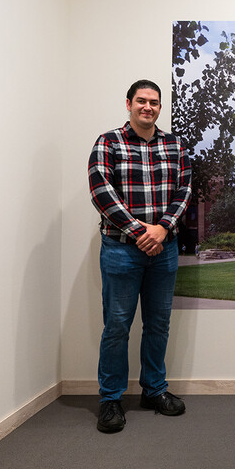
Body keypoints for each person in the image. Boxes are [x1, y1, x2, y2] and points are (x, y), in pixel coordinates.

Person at [88, 79, 193, 433]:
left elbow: (185, 190)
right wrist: (140, 231)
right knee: (117, 325)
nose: (148, 107)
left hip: (164, 250)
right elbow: (101, 190)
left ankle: (154, 390)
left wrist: (162, 229)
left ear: (160, 107)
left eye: (154, 102)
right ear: (129, 104)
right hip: (120, 248)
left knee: (158, 324)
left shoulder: (175, 145)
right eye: (141, 101)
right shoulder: (108, 143)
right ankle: (110, 399)